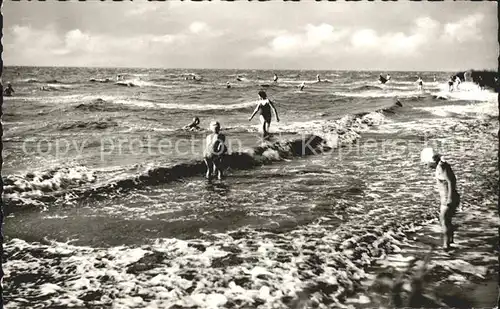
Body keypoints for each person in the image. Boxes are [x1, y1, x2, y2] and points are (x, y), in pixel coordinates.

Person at [421, 148, 460, 250]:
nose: (426, 166)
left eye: (426, 164)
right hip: (450, 197)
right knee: (447, 220)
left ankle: (446, 245)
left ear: (431, 161)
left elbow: (451, 181)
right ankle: (450, 240)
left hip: (448, 198)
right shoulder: (442, 165)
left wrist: (449, 198)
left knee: (444, 221)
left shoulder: (441, 167)